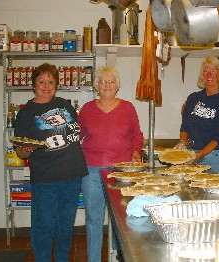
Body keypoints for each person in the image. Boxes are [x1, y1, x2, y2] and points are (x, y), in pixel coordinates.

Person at [14, 63, 87, 261]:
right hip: (45, 179)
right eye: (42, 81)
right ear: (34, 85)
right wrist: (25, 150)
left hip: (72, 175)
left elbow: (79, 132)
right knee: (44, 225)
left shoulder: (65, 105)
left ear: (57, 84)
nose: (46, 86)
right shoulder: (26, 113)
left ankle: (62, 258)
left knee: (65, 225)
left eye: (51, 81)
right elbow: (21, 152)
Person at [78, 65, 144, 262]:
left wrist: (136, 152)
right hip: (91, 170)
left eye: (111, 81)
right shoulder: (87, 109)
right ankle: (94, 259)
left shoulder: (128, 108)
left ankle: (118, 256)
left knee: (120, 219)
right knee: (93, 219)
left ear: (117, 86)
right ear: (97, 86)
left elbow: (137, 135)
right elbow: (77, 137)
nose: (106, 85)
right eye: (102, 81)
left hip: (120, 171)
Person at [175, 56, 219, 174]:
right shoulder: (193, 98)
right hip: (192, 155)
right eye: (206, 71)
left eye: (213, 71)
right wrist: (182, 144)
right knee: (192, 192)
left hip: (214, 158)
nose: (209, 75)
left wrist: (201, 154)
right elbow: (185, 126)